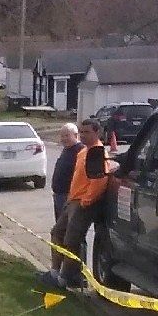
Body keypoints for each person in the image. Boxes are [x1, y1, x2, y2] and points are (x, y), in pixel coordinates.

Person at [61, 122, 118, 290]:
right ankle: (55, 271)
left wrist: (86, 200)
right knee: (57, 233)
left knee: (72, 240)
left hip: (83, 203)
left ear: (97, 132)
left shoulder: (97, 153)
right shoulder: (83, 151)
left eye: (87, 132)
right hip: (72, 200)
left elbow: (99, 181)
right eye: (81, 132)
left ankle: (68, 278)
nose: (83, 135)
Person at [48, 121, 82, 285]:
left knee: (70, 236)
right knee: (59, 234)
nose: (64, 138)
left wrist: (71, 196)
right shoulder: (66, 150)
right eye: (62, 135)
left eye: (67, 135)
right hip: (59, 196)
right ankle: (59, 272)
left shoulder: (79, 151)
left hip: (70, 199)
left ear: (76, 135)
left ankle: (74, 275)